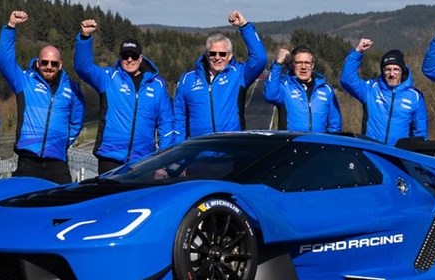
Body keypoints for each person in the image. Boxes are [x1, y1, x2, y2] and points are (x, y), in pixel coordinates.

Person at [0, 10, 86, 185]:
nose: (49, 67)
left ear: (60, 65)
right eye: (44, 62)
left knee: (61, 208)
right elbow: (3, 60)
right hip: (28, 159)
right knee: (24, 208)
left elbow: (77, 121)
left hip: (57, 162)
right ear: (38, 63)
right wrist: (10, 26)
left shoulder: (72, 88)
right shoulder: (24, 81)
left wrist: (61, 142)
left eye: (53, 63)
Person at [73, 19, 172, 172]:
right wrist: (85, 37)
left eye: (133, 56)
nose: (129, 60)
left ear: (141, 58)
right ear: (120, 57)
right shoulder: (109, 78)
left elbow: (166, 124)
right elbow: (83, 67)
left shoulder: (157, 85)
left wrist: (163, 161)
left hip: (144, 160)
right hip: (110, 158)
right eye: (126, 56)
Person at [169, 12, 268, 142]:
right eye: (212, 53)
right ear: (206, 54)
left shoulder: (238, 74)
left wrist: (244, 26)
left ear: (230, 56)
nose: (217, 58)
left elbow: (260, 59)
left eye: (222, 54)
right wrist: (178, 151)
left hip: (231, 149)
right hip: (199, 152)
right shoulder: (188, 79)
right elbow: (179, 118)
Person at [338, 40, 428, 145]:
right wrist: (358, 51)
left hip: (398, 155)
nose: (392, 74)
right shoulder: (371, 89)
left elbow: (420, 133)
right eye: (387, 69)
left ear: (402, 71)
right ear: (382, 71)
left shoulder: (415, 96)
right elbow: (347, 79)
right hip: (371, 151)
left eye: (396, 69)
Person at [263, 45, 343, 133]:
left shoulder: (326, 89)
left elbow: (335, 124)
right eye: (299, 63)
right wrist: (278, 64)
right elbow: (270, 95)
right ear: (292, 64)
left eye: (307, 63)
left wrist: (329, 143)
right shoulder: (285, 87)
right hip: (292, 143)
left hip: (319, 144)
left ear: (312, 65)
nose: (303, 67)